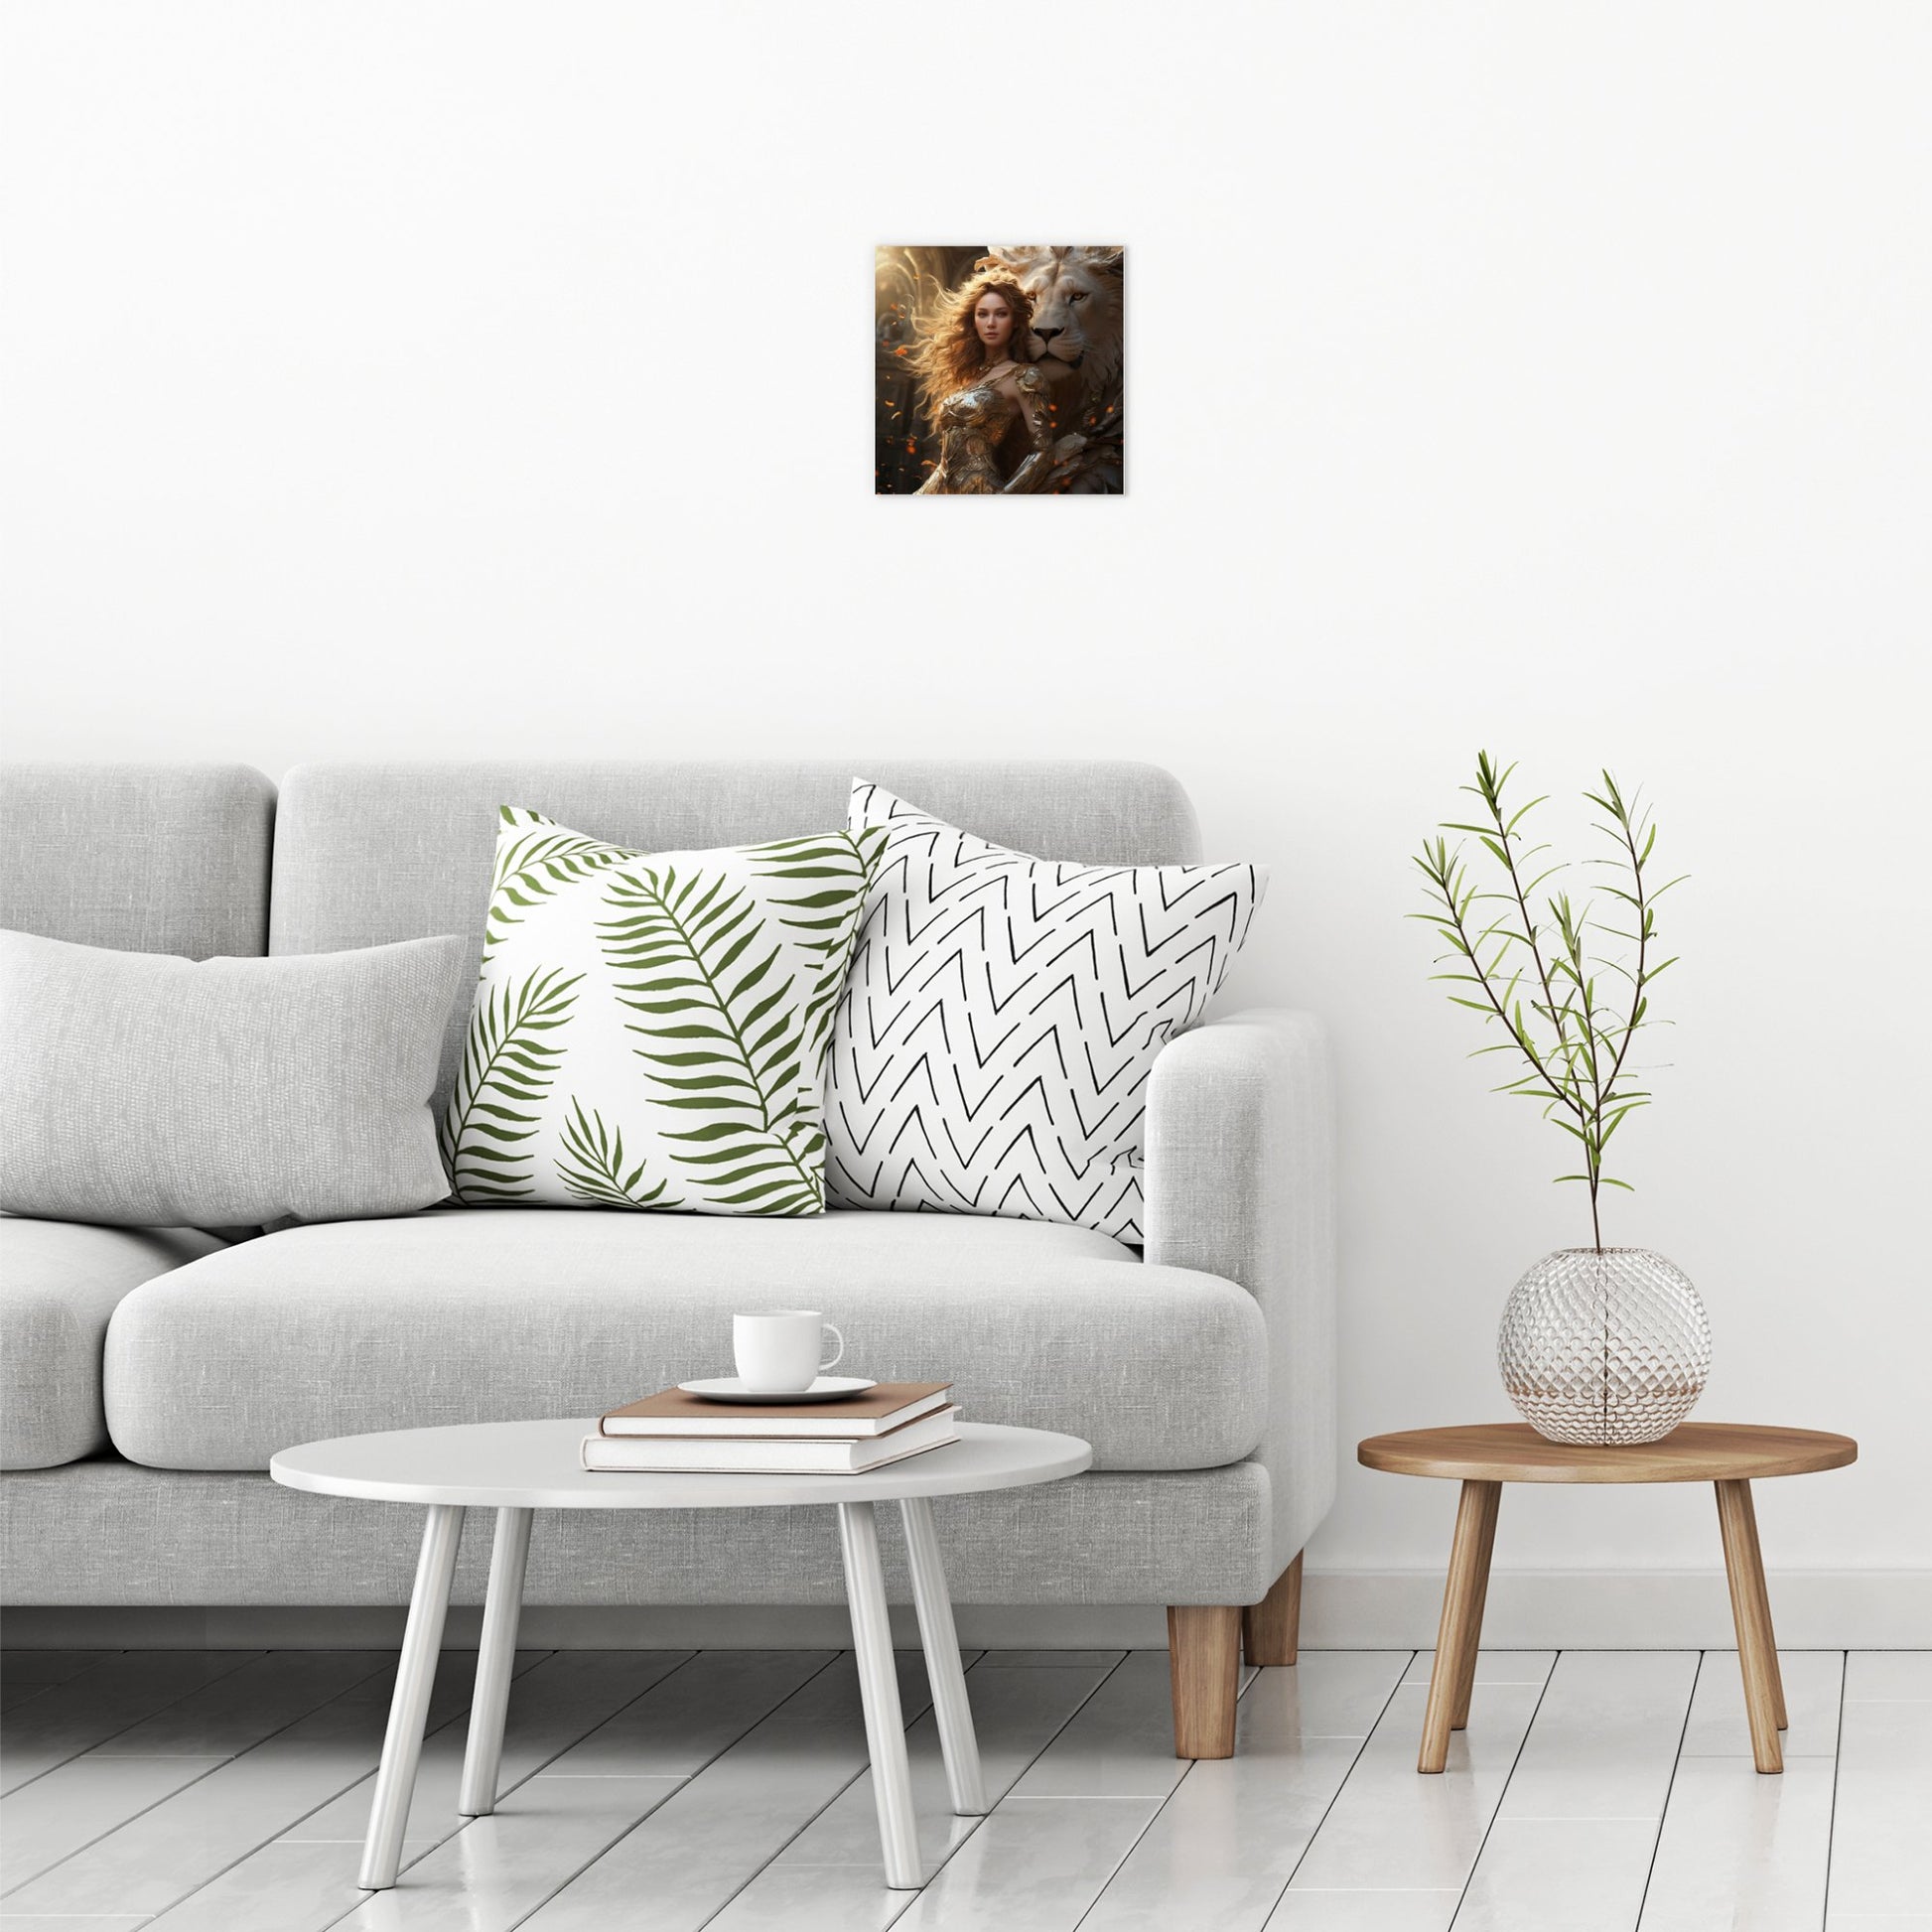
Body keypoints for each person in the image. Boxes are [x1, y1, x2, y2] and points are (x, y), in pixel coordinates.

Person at [909, 274, 1083, 494]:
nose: (991, 323)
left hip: (981, 491)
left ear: (1016, 321)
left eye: (1001, 314)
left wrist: (1005, 497)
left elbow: (1043, 451)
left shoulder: (1025, 377)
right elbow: (949, 456)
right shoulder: (969, 376)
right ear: (973, 320)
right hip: (938, 488)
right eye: (983, 314)